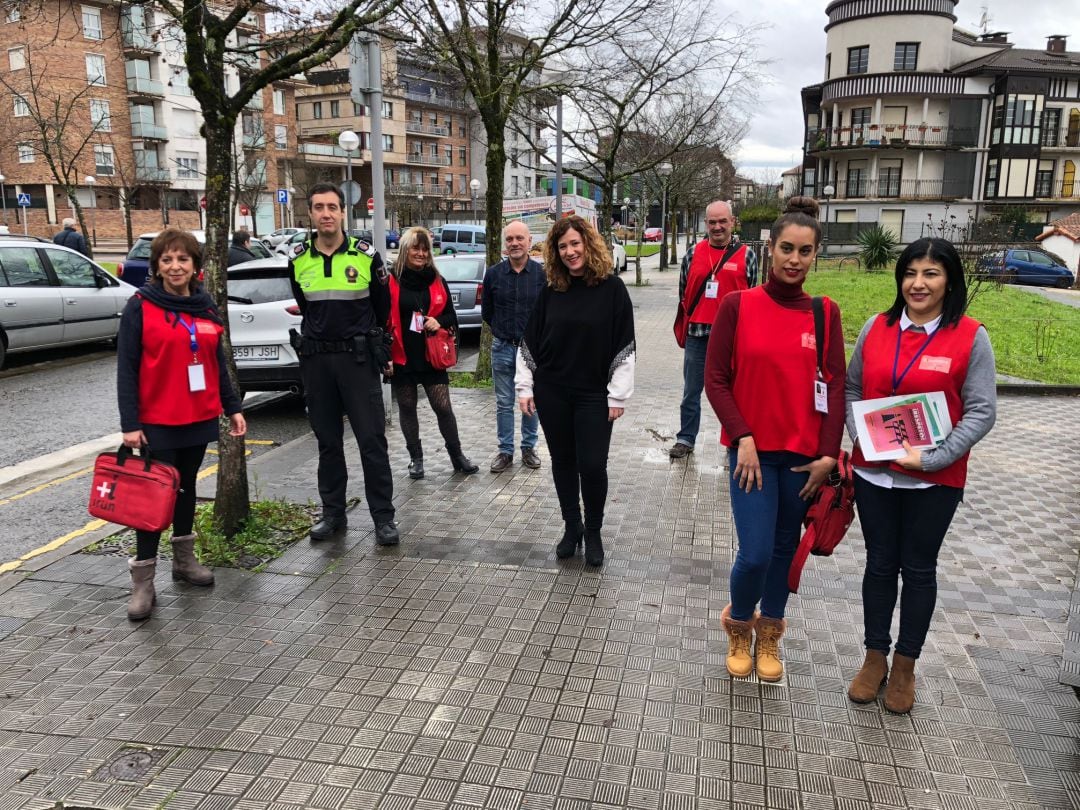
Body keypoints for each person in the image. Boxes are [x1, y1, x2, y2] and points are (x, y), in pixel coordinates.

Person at [844, 238, 996, 714]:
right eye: (910, 272)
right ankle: (874, 657)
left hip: (933, 481)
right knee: (880, 564)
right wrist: (864, 437)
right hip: (874, 475)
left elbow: (981, 411)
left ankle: (906, 665)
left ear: (949, 279)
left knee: (919, 568)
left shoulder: (971, 336)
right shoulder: (876, 327)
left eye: (930, 273)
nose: (918, 283)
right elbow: (851, 388)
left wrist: (933, 458)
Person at [704, 197, 845, 682]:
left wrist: (829, 454)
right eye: (787, 248)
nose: (794, 260)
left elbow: (836, 386)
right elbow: (715, 379)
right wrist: (741, 436)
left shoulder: (825, 314)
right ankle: (739, 622)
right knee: (757, 551)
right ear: (771, 247)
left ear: (815, 256)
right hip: (751, 456)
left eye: (805, 252)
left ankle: (770, 634)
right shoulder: (737, 306)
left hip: (805, 458)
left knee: (785, 549)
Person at [116, 228, 247, 621]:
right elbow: (127, 368)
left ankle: (184, 562)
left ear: (195, 266)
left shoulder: (205, 307)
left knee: (187, 489)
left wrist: (232, 407)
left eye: (182, 260)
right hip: (157, 419)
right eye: (167, 260)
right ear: (157, 266)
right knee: (154, 499)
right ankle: (143, 580)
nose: (175, 266)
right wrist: (130, 423)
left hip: (198, 415)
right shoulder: (140, 306)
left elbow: (216, 362)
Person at [516, 215, 635, 567]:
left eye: (575, 244)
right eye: (562, 246)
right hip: (553, 392)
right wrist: (525, 388)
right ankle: (573, 526)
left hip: (594, 395)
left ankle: (594, 529)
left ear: (589, 244)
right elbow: (530, 342)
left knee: (593, 465)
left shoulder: (612, 289)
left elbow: (625, 343)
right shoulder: (552, 291)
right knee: (564, 462)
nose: (569, 252)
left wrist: (618, 394)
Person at [289, 183, 398, 545]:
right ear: (311, 213)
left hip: (357, 360)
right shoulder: (298, 258)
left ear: (342, 212)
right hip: (317, 361)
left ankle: (383, 518)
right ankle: (333, 514)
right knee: (328, 443)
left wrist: (378, 346)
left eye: (332, 207)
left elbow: (383, 308)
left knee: (371, 440)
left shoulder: (366, 256)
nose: (326, 214)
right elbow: (306, 306)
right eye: (319, 207)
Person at [386, 227, 478, 479]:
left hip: (431, 355)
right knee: (406, 406)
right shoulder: (391, 280)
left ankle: (457, 455)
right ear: (405, 250)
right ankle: (416, 459)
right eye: (415, 248)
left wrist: (438, 321)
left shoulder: (437, 280)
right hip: (402, 354)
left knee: (443, 406)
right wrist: (384, 357)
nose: (421, 253)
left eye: (425, 249)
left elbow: (451, 315)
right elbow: (382, 319)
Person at [669, 200, 757, 459]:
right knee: (691, 392)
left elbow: (753, 298)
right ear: (705, 224)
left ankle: (737, 440)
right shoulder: (692, 254)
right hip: (697, 335)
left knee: (735, 393)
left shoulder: (747, 256)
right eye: (712, 222)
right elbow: (683, 292)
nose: (717, 227)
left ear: (732, 222)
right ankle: (686, 438)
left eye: (722, 221)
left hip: (733, 338)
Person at [482, 220, 546, 473]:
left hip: (533, 351)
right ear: (504, 244)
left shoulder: (543, 275)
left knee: (532, 400)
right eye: (509, 239)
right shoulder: (494, 274)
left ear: (529, 242)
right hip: (503, 347)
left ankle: (529, 448)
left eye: (519, 238)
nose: (514, 243)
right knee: (503, 402)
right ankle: (505, 451)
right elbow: (488, 311)